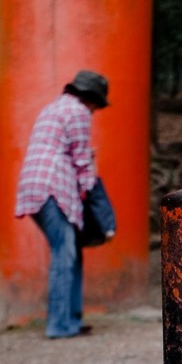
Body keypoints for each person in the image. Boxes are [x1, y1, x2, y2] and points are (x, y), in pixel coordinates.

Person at [15, 69, 111, 339]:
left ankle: (71, 318)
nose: (94, 111)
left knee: (70, 251)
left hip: (34, 184)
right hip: (53, 186)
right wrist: (94, 197)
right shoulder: (79, 112)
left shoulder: (53, 108)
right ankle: (60, 325)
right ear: (90, 98)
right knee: (64, 254)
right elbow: (81, 160)